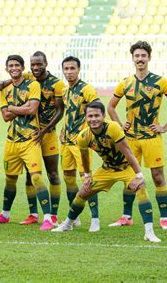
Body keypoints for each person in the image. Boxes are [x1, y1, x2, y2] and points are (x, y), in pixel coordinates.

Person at [52, 101, 161, 243]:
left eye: (97, 115)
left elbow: (128, 151)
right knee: (84, 192)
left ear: (103, 116)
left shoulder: (113, 128)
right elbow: (84, 157)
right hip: (107, 169)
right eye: (90, 116)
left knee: (141, 188)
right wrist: (87, 176)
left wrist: (139, 175)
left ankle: (149, 232)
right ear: (85, 118)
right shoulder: (83, 137)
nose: (93, 119)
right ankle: (67, 224)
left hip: (125, 167)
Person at [0, 51, 64, 225]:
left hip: (39, 135)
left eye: (38, 64)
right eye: (10, 66)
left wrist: (14, 108)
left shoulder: (43, 84)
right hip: (14, 139)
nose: (35, 67)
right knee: (17, 177)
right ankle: (23, 214)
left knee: (47, 175)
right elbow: (6, 115)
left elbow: (35, 109)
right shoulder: (14, 85)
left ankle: (51, 216)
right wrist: (19, 105)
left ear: (46, 63)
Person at [107, 41, 167, 230]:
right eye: (137, 56)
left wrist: (164, 127)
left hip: (151, 138)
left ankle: (164, 218)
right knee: (130, 177)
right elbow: (110, 106)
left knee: (157, 176)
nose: (140, 59)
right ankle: (126, 216)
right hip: (130, 139)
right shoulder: (126, 82)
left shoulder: (160, 81)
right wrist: (119, 125)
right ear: (132, 59)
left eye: (143, 56)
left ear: (149, 57)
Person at [60, 56, 101, 232]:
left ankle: (95, 219)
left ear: (79, 69)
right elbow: (70, 113)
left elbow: (98, 108)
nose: (69, 72)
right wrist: (63, 129)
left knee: (87, 179)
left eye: (72, 68)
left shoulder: (87, 89)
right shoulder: (65, 91)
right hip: (66, 141)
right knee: (68, 177)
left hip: (81, 142)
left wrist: (90, 132)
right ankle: (74, 217)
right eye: (66, 69)